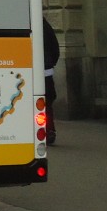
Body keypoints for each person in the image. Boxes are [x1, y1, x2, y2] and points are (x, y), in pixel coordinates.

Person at [43, 17, 59, 145]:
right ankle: (49, 130)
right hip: (46, 70)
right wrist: (50, 63)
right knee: (47, 102)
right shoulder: (45, 26)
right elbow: (55, 48)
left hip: (27, 70)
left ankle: (45, 130)